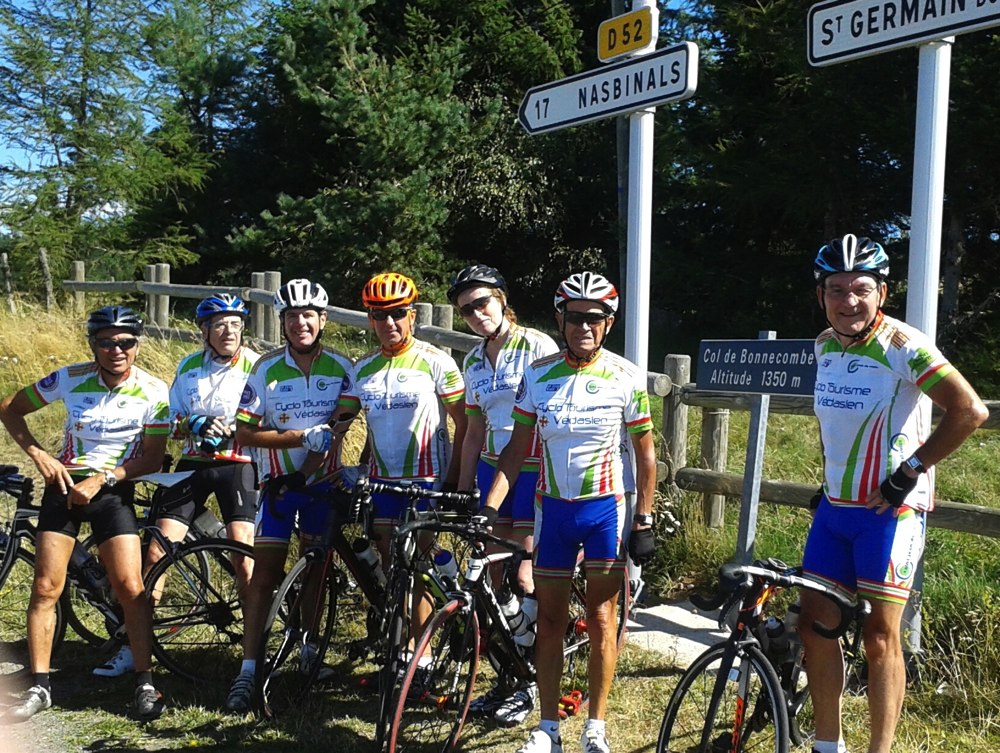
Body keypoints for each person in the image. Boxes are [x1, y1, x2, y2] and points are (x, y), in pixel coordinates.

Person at [802, 234, 988, 753]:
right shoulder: (824, 345)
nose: (848, 300)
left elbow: (970, 411)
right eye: (835, 289)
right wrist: (829, 482)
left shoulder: (903, 344)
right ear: (821, 296)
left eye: (861, 288)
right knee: (814, 624)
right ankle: (826, 743)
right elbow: (835, 426)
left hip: (891, 512)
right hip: (836, 510)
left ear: (882, 291)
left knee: (880, 638)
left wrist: (909, 472)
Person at [479, 272, 657, 753]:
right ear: (560, 319)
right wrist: (488, 507)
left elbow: (645, 456)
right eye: (574, 317)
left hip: (605, 511)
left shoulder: (626, 375)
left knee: (602, 618)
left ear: (608, 323)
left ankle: (595, 726)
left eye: (594, 319)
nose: (583, 326)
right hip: (552, 511)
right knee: (551, 620)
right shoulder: (537, 373)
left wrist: (645, 518)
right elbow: (516, 450)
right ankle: (548, 728)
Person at [0, 306, 170, 721]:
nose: (117, 350)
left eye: (126, 342)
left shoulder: (154, 390)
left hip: (112, 491)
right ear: (92, 344)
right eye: (106, 342)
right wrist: (40, 455)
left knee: (131, 588)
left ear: (137, 345)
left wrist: (104, 479)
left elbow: (152, 458)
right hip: (63, 488)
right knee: (45, 588)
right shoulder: (71, 377)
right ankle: (40, 686)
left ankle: (145, 681)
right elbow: (9, 407)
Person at [92, 294, 261, 677]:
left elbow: (268, 417)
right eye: (219, 325)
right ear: (204, 331)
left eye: (235, 324)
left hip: (240, 465)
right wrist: (192, 425)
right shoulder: (188, 367)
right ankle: (136, 649)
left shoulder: (258, 366)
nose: (228, 332)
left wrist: (237, 427)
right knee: (155, 556)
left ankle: (252, 657)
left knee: (244, 561)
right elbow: (171, 420)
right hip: (193, 464)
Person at [223, 279, 359, 713]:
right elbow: (243, 432)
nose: (300, 323)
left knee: (316, 573)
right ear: (282, 323)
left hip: (322, 489)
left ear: (322, 320)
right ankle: (248, 670)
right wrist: (299, 437)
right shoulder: (264, 369)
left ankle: (308, 648)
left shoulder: (342, 367)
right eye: (291, 316)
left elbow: (345, 423)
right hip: (279, 489)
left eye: (308, 315)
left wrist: (318, 463)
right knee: (264, 577)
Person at [447, 264, 558, 726]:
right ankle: (507, 674)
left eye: (482, 303)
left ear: (502, 298)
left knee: (526, 579)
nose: (475, 314)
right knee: (491, 584)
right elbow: (473, 432)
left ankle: (535, 676)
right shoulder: (473, 361)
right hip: (494, 473)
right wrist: (461, 492)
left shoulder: (537, 346)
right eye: (465, 310)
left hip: (535, 471)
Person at [353, 272, 467, 654]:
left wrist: (453, 481)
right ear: (370, 319)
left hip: (426, 479)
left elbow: (465, 422)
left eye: (398, 314)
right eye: (380, 315)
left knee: (417, 565)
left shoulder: (437, 361)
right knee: (390, 567)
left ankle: (424, 653)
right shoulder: (362, 368)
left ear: (413, 315)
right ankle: (401, 646)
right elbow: (363, 424)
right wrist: (359, 466)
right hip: (382, 481)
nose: (389, 323)